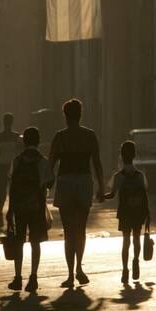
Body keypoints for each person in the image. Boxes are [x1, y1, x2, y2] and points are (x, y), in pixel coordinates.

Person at [49, 98, 105, 288]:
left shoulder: (60, 137)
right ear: (80, 115)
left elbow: (51, 163)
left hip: (65, 182)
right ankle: (80, 268)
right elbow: (97, 163)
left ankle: (70, 274)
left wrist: (46, 186)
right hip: (83, 182)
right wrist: (101, 187)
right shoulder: (89, 136)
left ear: (65, 116)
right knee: (80, 229)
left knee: (68, 231)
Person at [6, 127, 54, 292]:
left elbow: (12, 187)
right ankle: (33, 278)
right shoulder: (43, 161)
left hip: (19, 207)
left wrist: (10, 210)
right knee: (35, 242)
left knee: (19, 242)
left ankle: (18, 278)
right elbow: (49, 183)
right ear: (38, 141)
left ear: (24, 141)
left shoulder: (17, 161)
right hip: (36, 207)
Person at [105, 140, 150, 283]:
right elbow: (145, 194)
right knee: (136, 237)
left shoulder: (118, 176)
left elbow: (112, 194)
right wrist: (148, 214)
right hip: (138, 212)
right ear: (134, 155)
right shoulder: (140, 175)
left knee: (126, 241)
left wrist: (101, 196)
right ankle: (136, 261)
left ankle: (125, 270)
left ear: (121, 156)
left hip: (125, 212)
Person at [0, 113, 20, 228]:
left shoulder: (13, 136)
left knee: (10, 192)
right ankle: (2, 213)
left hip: (8, 167)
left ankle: (5, 214)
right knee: (4, 192)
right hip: (5, 167)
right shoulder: (5, 136)